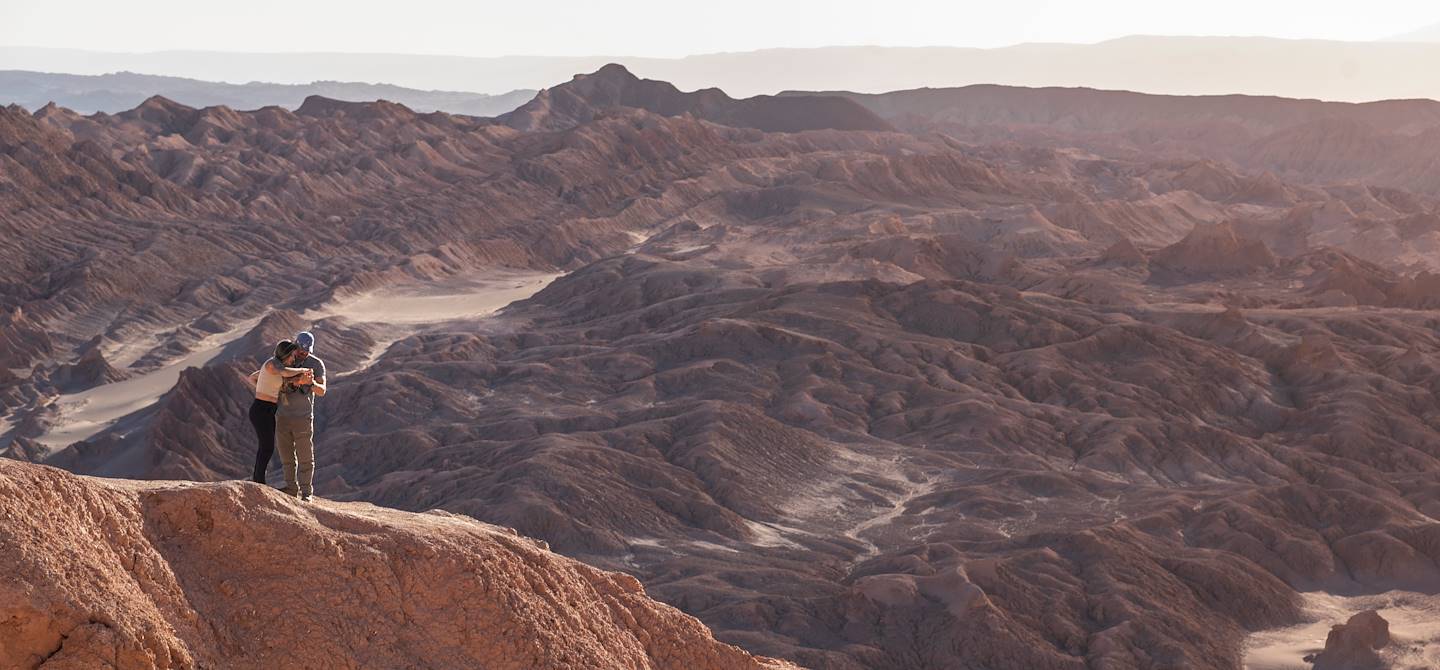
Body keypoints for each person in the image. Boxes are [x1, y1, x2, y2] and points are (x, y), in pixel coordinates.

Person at [247, 340, 314, 486]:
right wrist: (303, 370)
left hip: (269, 410)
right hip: (261, 409)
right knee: (267, 446)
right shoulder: (272, 364)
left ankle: (258, 479)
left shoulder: (276, 368)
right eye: (292, 356)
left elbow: (253, 377)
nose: (293, 359)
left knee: (266, 446)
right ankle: (258, 481)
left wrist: (266, 386)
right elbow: (283, 372)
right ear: (286, 354)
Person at [274, 331, 326, 500]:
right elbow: (275, 380)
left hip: (303, 417)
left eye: (307, 350)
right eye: (301, 349)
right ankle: (290, 487)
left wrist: (310, 383)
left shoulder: (316, 364)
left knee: (305, 456)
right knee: (286, 455)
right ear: (295, 345)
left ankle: (306, 492)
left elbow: (322, 391)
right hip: (282, 416)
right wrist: (295, 381)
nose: (303, 352)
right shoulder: (286, 359)